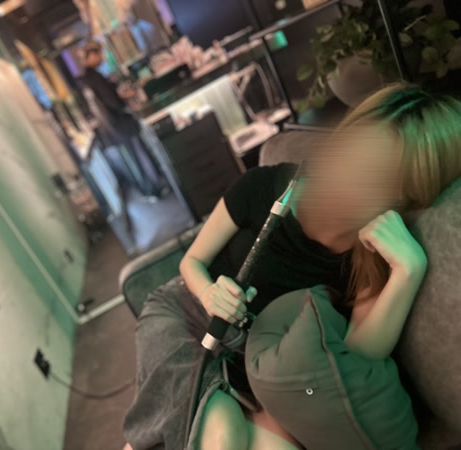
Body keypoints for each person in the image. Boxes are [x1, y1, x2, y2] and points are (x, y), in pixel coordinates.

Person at [122, 82, 461, 450]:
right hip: (186, 314)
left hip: (253, 359)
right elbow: (192, 261)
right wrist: (208, 293)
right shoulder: (264, 186)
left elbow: (357, 356)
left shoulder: (370, 254)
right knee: (221, 435)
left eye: (376, 179)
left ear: (406, 198)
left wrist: (408, 272)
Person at [81, 40, 166, 200]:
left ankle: (147, 191)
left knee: (132, 161)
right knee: (140, 156)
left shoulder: (85, 80)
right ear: (92, 55)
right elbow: (112, 102)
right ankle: (155, 188)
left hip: (111, 128)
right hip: (121, 124)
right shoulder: (96, 77)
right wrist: (125, 100)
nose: (102, 58)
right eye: (100, 54)